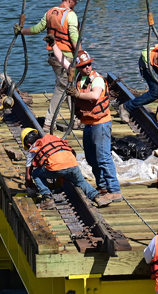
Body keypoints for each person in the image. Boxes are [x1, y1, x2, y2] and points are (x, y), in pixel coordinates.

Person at [52, 46, 122, 204]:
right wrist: (54, 44)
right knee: (91, 157)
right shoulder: (77, 76)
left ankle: (114, 190)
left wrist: (78, 94)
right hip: (89, 123)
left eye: (89, 64)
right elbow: (64, 62)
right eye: (84, 66)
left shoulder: (96, 78)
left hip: (101, 123)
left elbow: (95, 94)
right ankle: (102, 186)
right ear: (78, 67)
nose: (88, 67)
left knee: (103, 157)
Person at [16, 0, 82, 133]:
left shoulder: (50, 12)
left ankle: (75, 119)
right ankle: (48, 122)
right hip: (66, 58)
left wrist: (21, 32)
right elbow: (74, 38)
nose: (76, 3)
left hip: (54, 56)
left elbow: (37, 29)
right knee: (62, 87)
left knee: (70, 87)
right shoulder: (70, 15)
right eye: (76, 0)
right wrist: (82, 54)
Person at [23, 128, 110, 210]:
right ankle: (98, 198)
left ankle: (47, 199)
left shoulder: (33, 149)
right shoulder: (53, 138)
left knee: (35, 174)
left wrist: (31, 187)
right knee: (81, 182)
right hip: (72, 163)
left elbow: (28, 176)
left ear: (29, 144)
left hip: (56, 168)